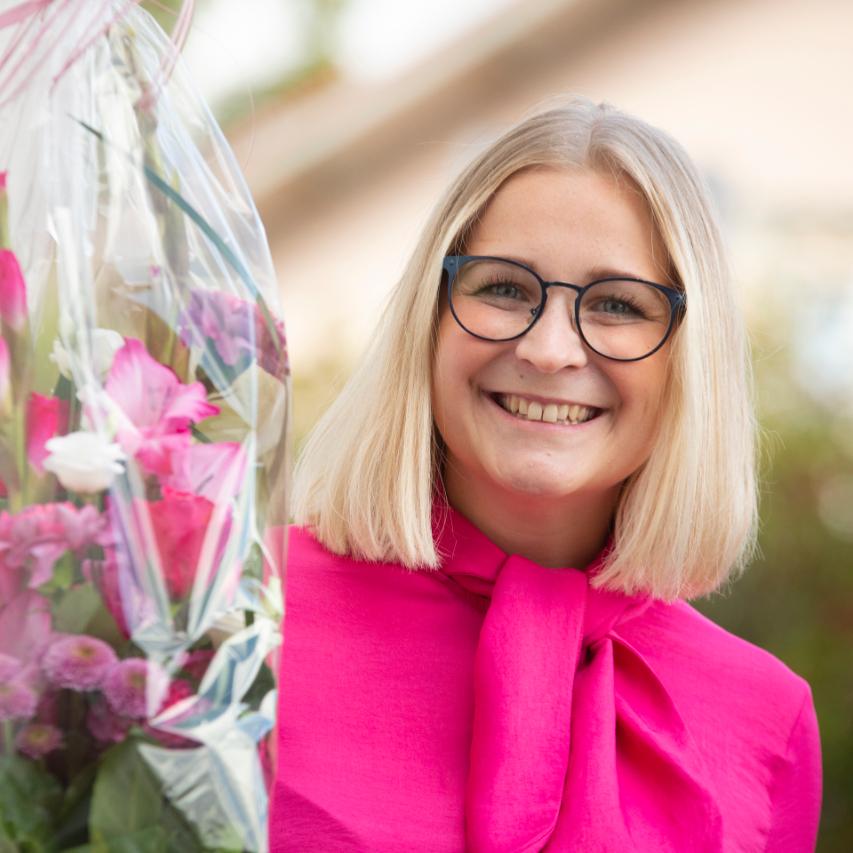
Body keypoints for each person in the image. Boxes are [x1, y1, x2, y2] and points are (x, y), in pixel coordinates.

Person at [268, 97, 822, 851]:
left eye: (618, 304)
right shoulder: (243, 607)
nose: (550, 350)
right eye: (504, 288)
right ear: (430, 317)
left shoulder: (767, 717)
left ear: (689, 357)